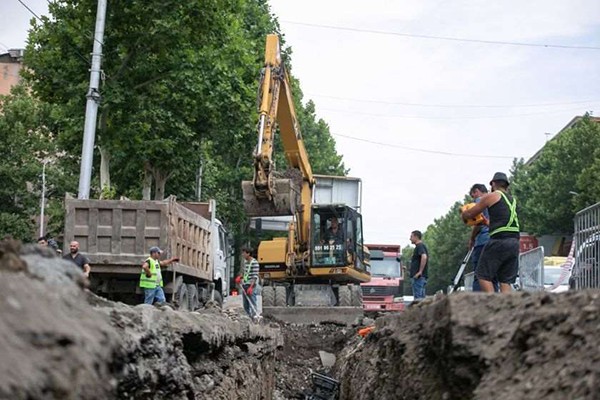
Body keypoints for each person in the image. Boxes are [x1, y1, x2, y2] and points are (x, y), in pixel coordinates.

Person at [462, 172, 520, 293]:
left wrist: (463, 213)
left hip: (499, 240)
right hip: (514, 242)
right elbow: (503, 221)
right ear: (507, 185)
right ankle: (506, 308)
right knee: (505, 280)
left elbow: (470, 214)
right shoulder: (512, 200)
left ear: (493, 184)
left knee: (482, 275)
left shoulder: (492, 196)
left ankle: (494, 304)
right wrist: (486, 222)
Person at [468, 184, 498, 292]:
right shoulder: (496, 200)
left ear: (477, 191)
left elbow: (478, 222)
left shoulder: (480, 200)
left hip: (482, 241)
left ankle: (478, 304)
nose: (474, 198)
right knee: (494, 276)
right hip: (496, 239)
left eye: (473, 196)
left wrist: (472, 238)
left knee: (479, 275)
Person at [236, 247, 260, 320]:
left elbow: (254, 276)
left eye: (244, 253)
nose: (242, 254)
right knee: (245, 304)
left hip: (251, 286)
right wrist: (240, 277)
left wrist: (251, 287)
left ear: (248, 253)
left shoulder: (255, 263)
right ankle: (247, 319)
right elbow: (246, 274)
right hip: (245, 284)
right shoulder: (246, 263)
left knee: (252, 302)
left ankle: (254, 318)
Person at [409, 230, 429, 300]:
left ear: (416, 237)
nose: (410, 238)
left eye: (411, 236)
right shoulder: (420, 246)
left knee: (418, 299)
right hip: (421, 277)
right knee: (422, 299)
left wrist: (420, 272)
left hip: (419, 278)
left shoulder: (420, 246)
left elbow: (424, 257)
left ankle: (419, 311)